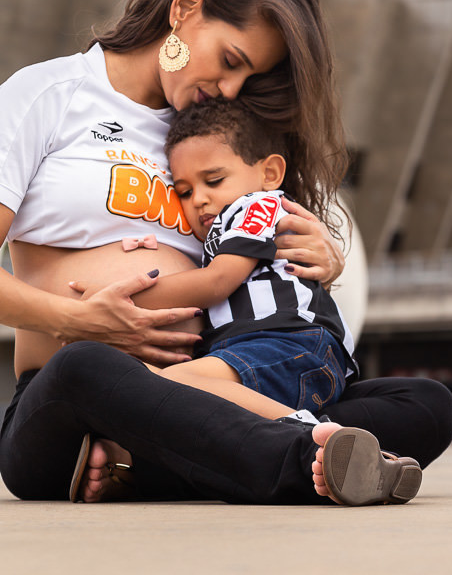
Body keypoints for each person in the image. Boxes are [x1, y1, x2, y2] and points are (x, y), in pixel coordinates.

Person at [0, 0, 452, 506]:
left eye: (247, 76)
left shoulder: (214, 138)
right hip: (75, 398)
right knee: (87, 368)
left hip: (215, 381)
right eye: (230, 60)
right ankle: (304, 458)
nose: (230, 88)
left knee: (425, 405)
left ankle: (140, 466)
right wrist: (81, 320)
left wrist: (320, 259)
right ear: (185, 10)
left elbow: (257, 266)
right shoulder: (48, 96)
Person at [97, 97, 359, 420]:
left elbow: (216, 282)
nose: (200, 200)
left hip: (293, 344)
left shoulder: (258, 206)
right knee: (150, 385)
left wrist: (121, 298)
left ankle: (308, 435)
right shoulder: (218, 235)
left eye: (214, 180)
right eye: (184, 192)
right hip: (254, 352)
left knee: (166, 386)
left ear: (270, 173)